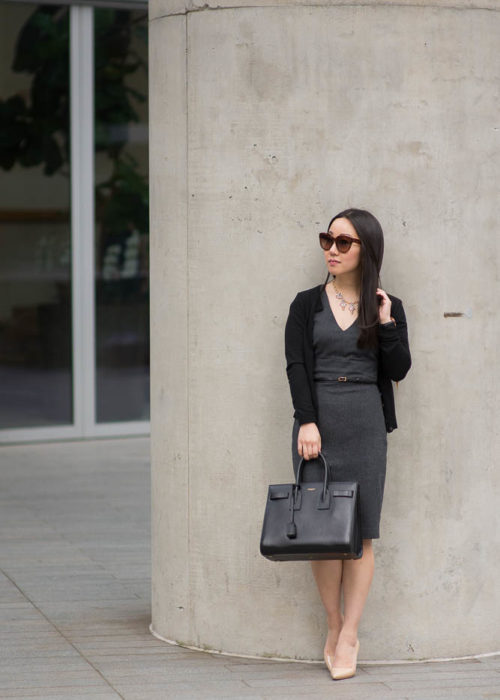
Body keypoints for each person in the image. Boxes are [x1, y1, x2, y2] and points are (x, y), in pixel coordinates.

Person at [284, 208, 411, 680]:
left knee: (360, 534)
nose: (332, 250)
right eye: (328, 240)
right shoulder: (305, 303)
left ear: (366, 250)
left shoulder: (386, 303)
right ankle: (333, 624)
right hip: (318, 424)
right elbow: (296, 366)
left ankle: (351, 635)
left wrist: (387, 323)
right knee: (322, 531)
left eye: (344, 242)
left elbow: (398, 370)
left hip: (365, 421)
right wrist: (306, 422)